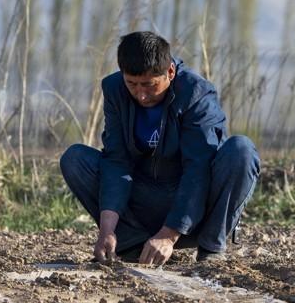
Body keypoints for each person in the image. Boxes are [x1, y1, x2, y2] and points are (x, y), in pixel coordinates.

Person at [60, 31, 260, 267]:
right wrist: (107, 229)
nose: (141, 95)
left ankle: (210, 248)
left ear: (170, 72)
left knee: (242, 151)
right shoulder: (114, 89)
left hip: (195, 206)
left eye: (149, 85)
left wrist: (169, 234)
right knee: (75, 158)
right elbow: (117, 161)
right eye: (132, 84)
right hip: (146, 198)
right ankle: (132, 243)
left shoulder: (197, 94)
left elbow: (198, 169)